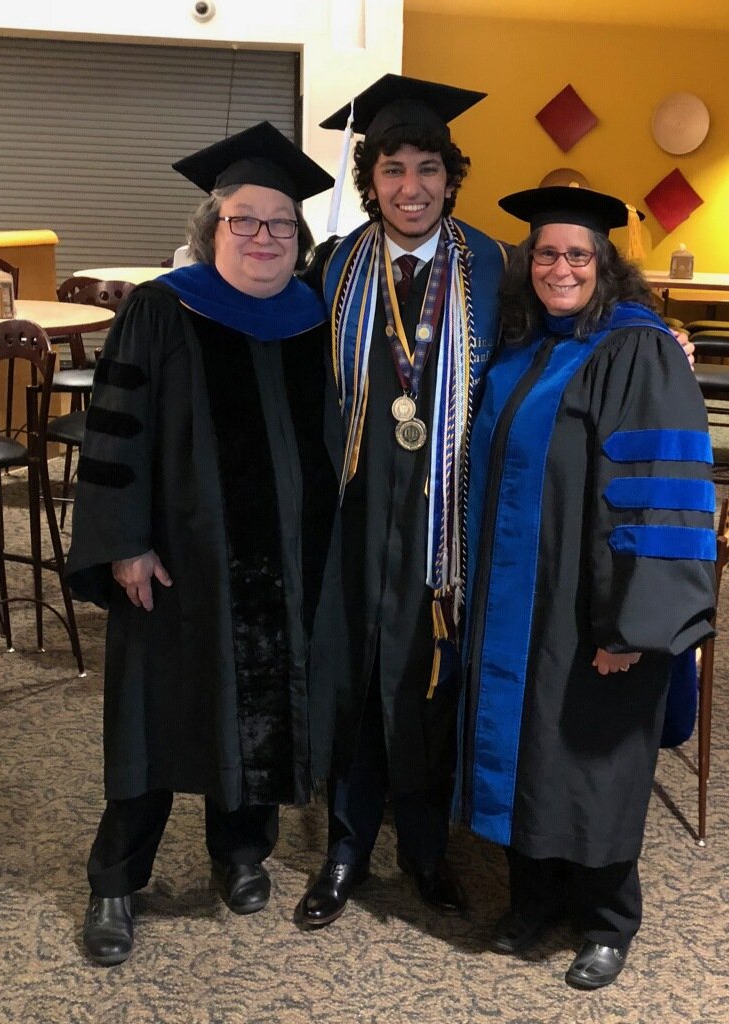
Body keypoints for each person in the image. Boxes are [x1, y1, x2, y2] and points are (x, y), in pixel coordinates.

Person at [66, 122, 336, 966]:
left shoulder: (309, 316)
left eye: (281, 224)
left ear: (299, 237)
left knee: (258, 708)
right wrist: (124, 543)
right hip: (173, 561)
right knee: (151, 719)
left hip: (281, 564)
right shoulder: (161, 308)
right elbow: (116, 436)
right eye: (245, 220)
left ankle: (241, 853)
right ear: (211, 229)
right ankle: (116, 879)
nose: (264, 237)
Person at [453, 185, 716, 989]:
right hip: (516, 598)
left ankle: (607, 917)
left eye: (577, 254)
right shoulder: (524, 345)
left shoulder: (638, 350)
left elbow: (662, 492)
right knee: (533, 747)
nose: (559, 267)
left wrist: (630, 627)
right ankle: (534, 901)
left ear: (605, 265)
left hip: (596, 603)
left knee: (593, 758)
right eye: (545, 253)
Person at [297, 75, 507, 927]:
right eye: (393, 169)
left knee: (429, 681)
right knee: (351, 677)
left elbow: (566, 334)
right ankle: (345, 846)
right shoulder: (336, 264)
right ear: (369, 178)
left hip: (442, 519)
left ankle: (424, 850)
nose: (410, 187)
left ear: (452, 177)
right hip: (355, 509)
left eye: (427, 168)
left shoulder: (494, 265)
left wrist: (652, 328)